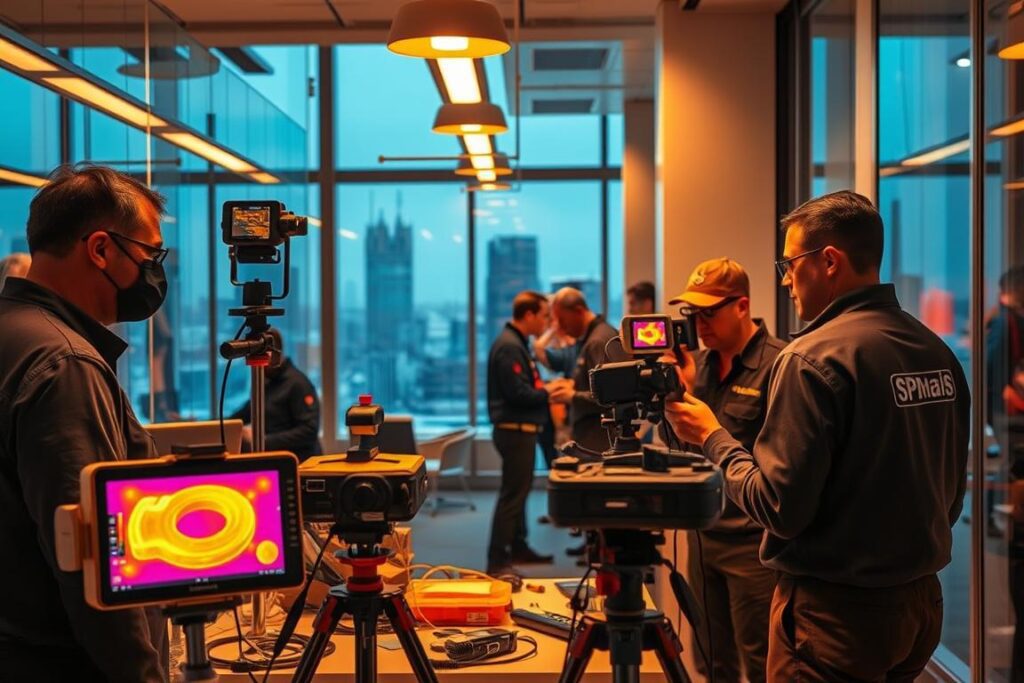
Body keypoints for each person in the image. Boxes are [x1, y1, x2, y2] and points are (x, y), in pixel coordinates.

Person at [666, 190, 970, 681]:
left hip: (834, 616)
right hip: (918, 605)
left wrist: (711, 437)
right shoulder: (934, 351)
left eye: (789, 263)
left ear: (829, 261)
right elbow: (951, 495)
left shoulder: (811, 358)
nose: (785, 280)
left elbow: (780, 508)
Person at [0, 164, 169, 681]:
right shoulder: (65, 364)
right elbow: (95, 569)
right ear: (100, 249)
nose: (156, 273)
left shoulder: (14, 333)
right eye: (150, 255)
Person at [663, 257, 784, 683]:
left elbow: (784, 467)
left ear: (742, 305)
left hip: (754, 545)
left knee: (762, 661)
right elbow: (686, 452)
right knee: (711, 660)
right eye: (693, 314)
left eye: (709, 312)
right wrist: (684, 392)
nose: (699, 323)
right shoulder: (702, 366)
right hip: (705, 535)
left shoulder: (780, 365)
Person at [486, 291, 573, 575]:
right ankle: (498, 561)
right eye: (544, 315)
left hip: (519, 429)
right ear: (529, 315)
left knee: (519, 494)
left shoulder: (516, 343)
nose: (547, 322)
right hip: (514, 430)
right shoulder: (510, 346)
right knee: (512, 496)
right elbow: (517, 393)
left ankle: (518, 547)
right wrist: (548, 391)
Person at [547, 287, 628, 453]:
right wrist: (573, 385)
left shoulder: (597, 341)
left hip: (599, 437)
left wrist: (572, 396)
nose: (561, 328)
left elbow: (614, 394)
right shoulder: (595, 337)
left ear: (579, 311)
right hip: (595, 434)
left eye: (562, 321)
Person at [229, 327, 322, 461]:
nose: (257, 367)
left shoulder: (298, 384)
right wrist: (221, 427)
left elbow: (308, 431)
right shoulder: (265, 382)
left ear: (273, 354)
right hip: (275, 457)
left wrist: (262, 439)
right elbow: (248, 412)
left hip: (298, 461)